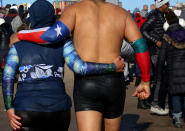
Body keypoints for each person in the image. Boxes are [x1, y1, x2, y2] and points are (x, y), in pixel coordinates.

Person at [10, 0, 151, 130]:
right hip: (113, 82)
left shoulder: (75, 10)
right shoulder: (122, 14)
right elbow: (140, 46)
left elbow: (52, 35)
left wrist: (22, 35)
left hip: (87, 82)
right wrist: (145, 80)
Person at [140, 0, 170, 115]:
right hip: (156, 53)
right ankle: (155, 104)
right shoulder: (155, 15)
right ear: (160, 5)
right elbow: (143, 30)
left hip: (161, 51)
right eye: (166, 4)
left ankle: (157, 102)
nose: (168, 5)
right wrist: (156, 41)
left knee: (160, 78)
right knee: (159, 78)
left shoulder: (163, 15)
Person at [157, 10, 185, 128]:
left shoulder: (167, 36)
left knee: (175, 93)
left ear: (167, 22)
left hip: (172, 69)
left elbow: (162, 56)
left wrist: (159, 73)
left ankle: (177, 117)